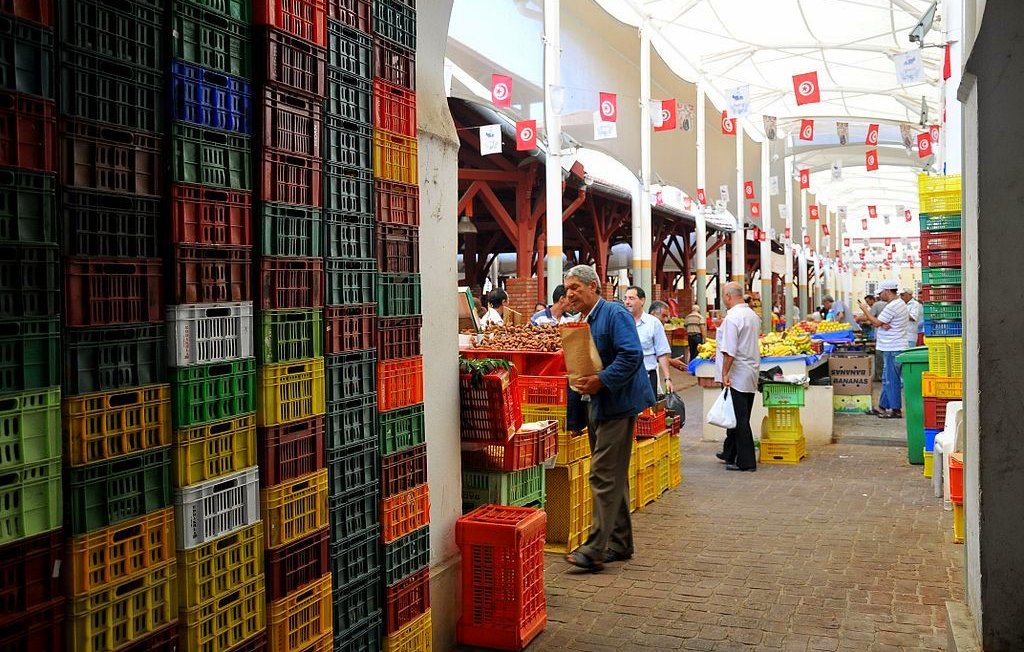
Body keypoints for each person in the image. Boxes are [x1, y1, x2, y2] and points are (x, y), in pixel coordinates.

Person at [561, 265, 655, 572]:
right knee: (612, 475)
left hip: (616, 404)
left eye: (575, 287)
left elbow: (631, 356)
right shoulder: (582, 321)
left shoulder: (614, 314)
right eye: (567, 288)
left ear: (594, 287)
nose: (569, 293)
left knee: (602, 474)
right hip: (596, 406)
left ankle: (595, 548)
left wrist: (602, 380)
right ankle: (619, 542)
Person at [715, 282, 762, 472]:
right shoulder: (751, 315)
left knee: (740, 419)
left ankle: (747, 462)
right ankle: (730, 453)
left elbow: (730, 351)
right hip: (750, 370)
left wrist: (725, 373)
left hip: (737, 374)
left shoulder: (733, 318)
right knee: (738, 415)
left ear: (728, 296)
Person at [858, 281, 909, 418]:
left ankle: (895, 410)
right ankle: (882, 407)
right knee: (888, 378)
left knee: (891, 379)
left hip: (893, 346)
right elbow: (880, 323)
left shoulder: (893, 306)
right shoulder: (899, 304)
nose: (880, 296)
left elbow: (876, 322)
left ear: (887, 291)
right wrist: (881, 324)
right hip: (893, 345)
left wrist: (864, 310)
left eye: (880, 293)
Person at [623, 286, 673, 398]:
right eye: (625, 298)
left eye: (631, 298)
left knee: (647, 413)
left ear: (642, 300)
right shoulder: (620, 322)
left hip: (647, 377)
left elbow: (662, 353)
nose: (627, 302)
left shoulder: (653, 323)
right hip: (625, 378)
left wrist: (667, 378)